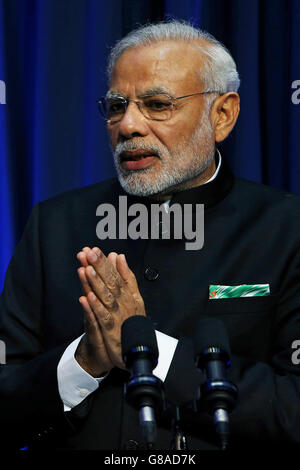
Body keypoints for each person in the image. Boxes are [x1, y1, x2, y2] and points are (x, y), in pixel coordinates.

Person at [1, 20, 300, 451]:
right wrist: (84, 363)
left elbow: (293, 407)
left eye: (157, 104)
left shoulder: (286, 228)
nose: (128, 125)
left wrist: (149, 351)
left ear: (223, 115)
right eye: (117, 106)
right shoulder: (55, 224)